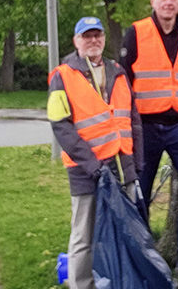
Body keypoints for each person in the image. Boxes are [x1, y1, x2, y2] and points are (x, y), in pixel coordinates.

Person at [120, 0, 178, 283]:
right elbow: (123, 83)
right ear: (153, 1)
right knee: (139, 192)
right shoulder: (137, 32)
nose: (169, 3)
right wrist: (125, 126)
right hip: (144, 127)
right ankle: (145, 257)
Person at [47, 16, 143, 289]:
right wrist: (92, 165)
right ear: (76, 41)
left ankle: (123, 282)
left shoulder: (118, 71)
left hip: (122, 165)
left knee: (127, 230)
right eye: (86, 36)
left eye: (97, 35)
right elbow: (61, 126)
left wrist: (138, 162)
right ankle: (82, 284)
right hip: (85, 170)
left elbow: (132, 120)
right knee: (83, 235)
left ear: (103, 38)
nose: (93, 40)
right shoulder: (62, 75)